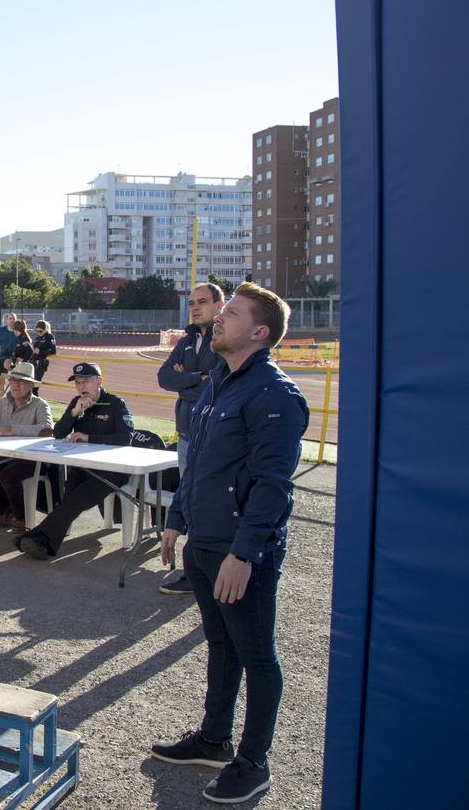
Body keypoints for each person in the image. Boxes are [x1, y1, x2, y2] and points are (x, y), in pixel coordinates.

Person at [150, 282, 309, 805]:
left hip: (240, 551)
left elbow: (273, 485)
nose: (219, 319)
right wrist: (176, 517)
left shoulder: (275, 394)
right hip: (203, 541)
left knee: (256, 655)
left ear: (260, 332)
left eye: (233, 314)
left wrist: (244, 554)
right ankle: (215, 739)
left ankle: (252, 762)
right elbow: (197, 464)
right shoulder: (220, 380)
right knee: (221, 646)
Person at [12, 362, 134, 560]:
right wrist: (74, 413)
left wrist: (89, 437)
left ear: (99, 382)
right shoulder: (77, 402)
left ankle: (37, 537)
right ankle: (44, 544)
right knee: (69, 499)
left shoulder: (115, 403)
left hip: (109, 470)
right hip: (82, 467)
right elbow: (58, 433)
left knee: (74, 500)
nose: (81, 387)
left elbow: (125, 438)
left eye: (86, 381)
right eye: (77, 383)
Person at [155, 282, 225, 595]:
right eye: (192, 302)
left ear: (219, 305)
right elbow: (164, 377)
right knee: (191, 504)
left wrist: (185, 381)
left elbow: (219, 382)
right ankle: (194, 570)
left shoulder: (224, 338)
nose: (195, 308)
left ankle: (212, 570)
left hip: (213, 438)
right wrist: (198, 378)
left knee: (213, 505)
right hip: (186, 436)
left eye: (203, 302)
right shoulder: (185, 340)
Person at [0, 362, 54, 529]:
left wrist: (12, 430)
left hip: (30, 458)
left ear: (30, 385)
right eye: (12, 380)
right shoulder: (3, 402)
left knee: (9, 475)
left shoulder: (40, 405)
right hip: (3, 455)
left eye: (20, 381)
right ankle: (5, 510)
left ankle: (22, 518)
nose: (15, 385)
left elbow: (47, 430)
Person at [30, 320, 58, 394]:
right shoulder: (37, 338)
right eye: (37, 331)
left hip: (41, 364)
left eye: (40, 331)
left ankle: (36, 403)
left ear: (46, 329)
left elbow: (53, 351)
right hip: (33, 362)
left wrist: (41, 352)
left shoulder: (49, 336)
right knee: (29, 385)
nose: (39, 333)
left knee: (35, 387)